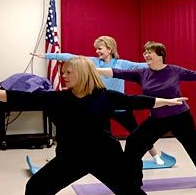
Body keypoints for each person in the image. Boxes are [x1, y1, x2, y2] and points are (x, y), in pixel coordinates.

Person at [0, 57, 183, 195]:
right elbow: (23, 98)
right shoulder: (58, 98)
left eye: (68, 73)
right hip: (71, 157)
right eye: (63, 73)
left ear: (82, 74)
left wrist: (168, 102)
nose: (63, 76)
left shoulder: (104, 96)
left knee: (130, 190)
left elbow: (135, 101)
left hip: (105, 156)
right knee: (36, 187)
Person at [98, 41, 196, 185]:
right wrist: (94, 70)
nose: (146, 55)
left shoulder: (174, 70)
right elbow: (116, 72)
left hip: (180, 116)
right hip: (157, 118)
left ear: (160, 55)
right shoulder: (141, 73)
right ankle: (132, 179)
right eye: (145, 52)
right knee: (134, 142)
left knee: (193, 144)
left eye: (150, 52)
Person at [32, 35, 165, 164]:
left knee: (137, 133)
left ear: (110, 49)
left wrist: (161, 64)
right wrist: (47, 56)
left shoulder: (122, 64)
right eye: (96, 49)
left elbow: (142, 66)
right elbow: (70, 57)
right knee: (90, 133)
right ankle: (67, 158)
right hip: (102, 107)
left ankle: (156, 157)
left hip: (120, 107)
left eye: (100, 48)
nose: (97, 51)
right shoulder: (93, 62)